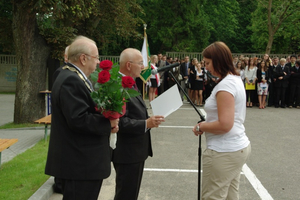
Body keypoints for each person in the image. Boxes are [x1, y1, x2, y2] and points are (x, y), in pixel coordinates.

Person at [45, 36, 119, 200]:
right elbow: (78, 119)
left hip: (80, 163)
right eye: (96, 57)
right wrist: (108, 123)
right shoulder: (71, 79)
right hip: (80, 164)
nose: (98, 62)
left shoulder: (72, 76)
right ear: (83, 59)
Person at [192, 42, 251, 200]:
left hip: (223, 151)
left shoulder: (226, 86)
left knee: (213, 196)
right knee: (231, 195)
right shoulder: (234, 79)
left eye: (208, 63)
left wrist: (202, 126)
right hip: (235, 148)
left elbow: (225, 124)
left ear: (219, 61)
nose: (206, 67)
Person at [112, 48, 165, 200]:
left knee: (130, 193)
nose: (143, 67)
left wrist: (148, 120)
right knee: (126, 194)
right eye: (141, 63)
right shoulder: (117, 85)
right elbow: (118, 120)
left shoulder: (131, 83)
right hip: (127, 152)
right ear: (129, 65)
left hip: (135, 150)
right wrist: (146, 123)